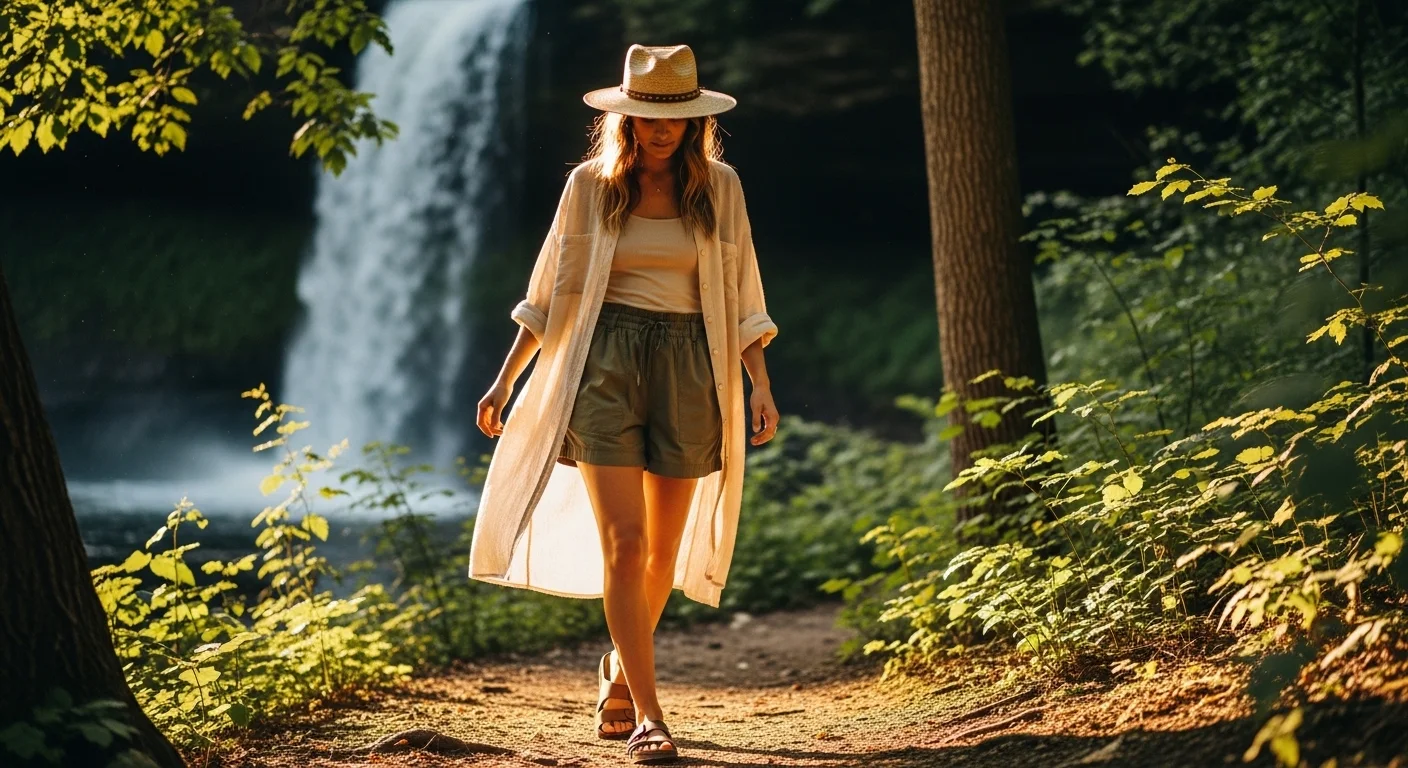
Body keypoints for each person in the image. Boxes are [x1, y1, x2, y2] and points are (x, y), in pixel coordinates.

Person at [469, 43, 779, 765]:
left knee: (662, 555)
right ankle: (649, 713)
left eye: (674, 117)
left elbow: (743, 293)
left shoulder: (721, 188)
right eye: (646, 116)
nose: (659, 129)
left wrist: (759, 382)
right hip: (602, 366)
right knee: (626, 543)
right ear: (626, 118)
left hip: (692, 366)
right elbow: (550, 292)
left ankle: (617, 668)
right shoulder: (589, 186)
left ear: (695, 121)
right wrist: (505, 379)